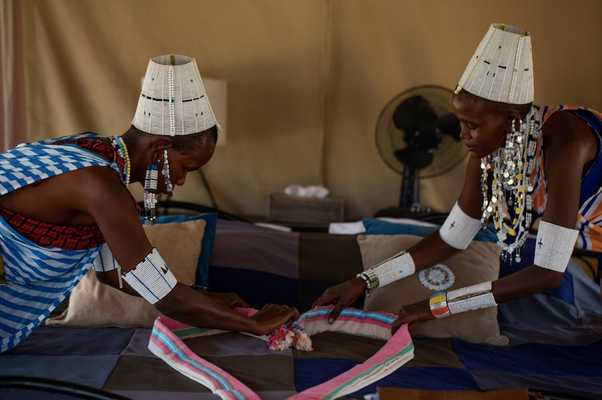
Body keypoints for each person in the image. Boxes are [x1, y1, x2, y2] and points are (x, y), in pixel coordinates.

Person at [0, 54, 297, 353]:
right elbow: (167, 299)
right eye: (186, 167)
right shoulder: (100, 184)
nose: (181, 181)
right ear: (161, 149)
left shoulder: (94, 158)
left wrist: (208, 299)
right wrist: (254, 324)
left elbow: (114, 276)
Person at [314, 24, 602, 332]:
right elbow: (452, 238)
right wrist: (362, 281)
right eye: (460, 122)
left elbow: (547, 273)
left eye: (472, 125)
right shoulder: (489, 148)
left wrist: (435, 306)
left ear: (513, 119)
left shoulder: (567, 143)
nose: (463, 135)